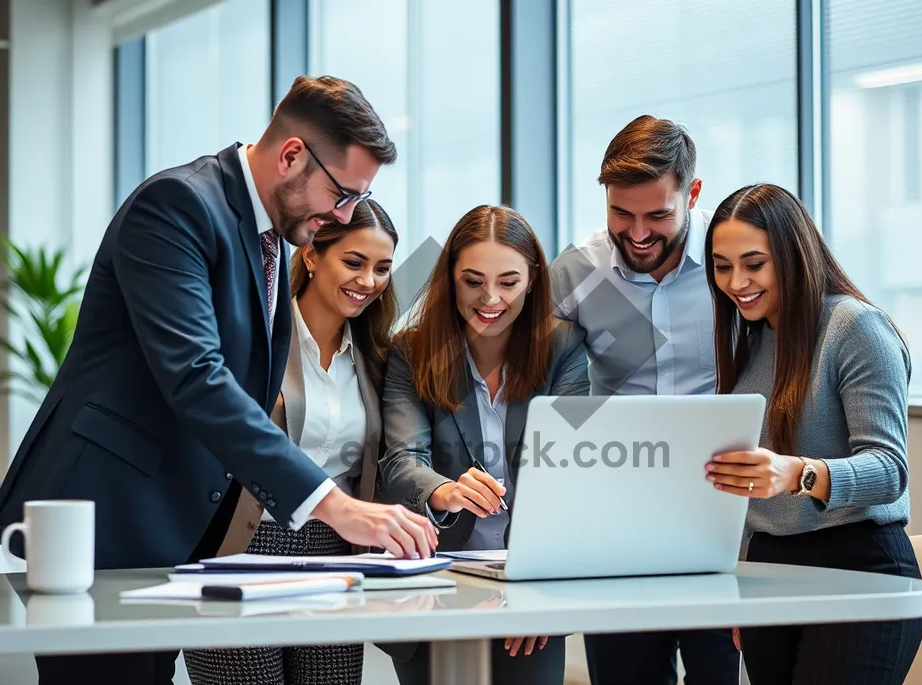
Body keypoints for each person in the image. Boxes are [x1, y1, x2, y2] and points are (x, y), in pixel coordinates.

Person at [0, 75, 437, 685]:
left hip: (173, 529)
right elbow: (198, 376)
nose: (344, 215)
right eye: (342, 195)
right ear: (291, 155)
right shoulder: (177, 206)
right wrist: (335, 507)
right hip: (104, 517)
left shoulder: (267, 236)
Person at [704, 183, 922, 684]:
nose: (736, 282)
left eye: (754, 264)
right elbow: (745, 495)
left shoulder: (855, 327)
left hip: (860, 569)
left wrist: (796, 473)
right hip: (769, 572)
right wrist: (740, 579)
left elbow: (890, 471)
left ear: (792, 253)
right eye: (722, 266)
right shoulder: (754, 341)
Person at [548, 115, 739, 685]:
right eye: (620, 214)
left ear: (693, 193)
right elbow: (539, 384)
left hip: (721, 510)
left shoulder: (734, 265)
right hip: (619, 516)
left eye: (658, 215)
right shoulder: (576, 272)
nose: (637, 234)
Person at [183, 198, 399, 685]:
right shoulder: (250, 339)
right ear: (311, 256)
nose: (368, 281)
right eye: (354, 262)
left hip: (334, 553)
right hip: (241, 543)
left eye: (382, 268)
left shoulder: (377, 357)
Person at [378, 204, 590, 685]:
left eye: (508, 282)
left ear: (533, 279)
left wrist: (537, 583)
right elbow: (402, 459)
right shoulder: (411, 351)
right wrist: (443, 491)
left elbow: (567, 474)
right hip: (434, 583)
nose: (490, 298)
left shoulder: (564, 348)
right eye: (472, 281)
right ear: (451, 278)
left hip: (531, 578)